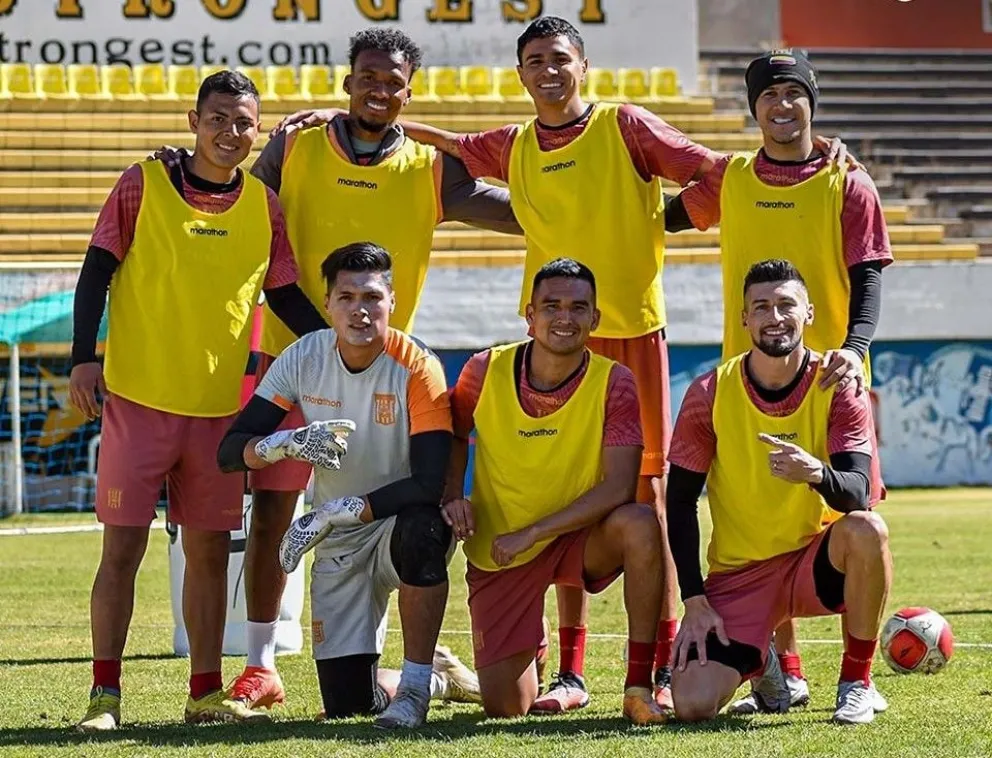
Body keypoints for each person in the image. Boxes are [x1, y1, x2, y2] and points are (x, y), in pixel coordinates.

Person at [187, 29, 520, 710]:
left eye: (395, 82)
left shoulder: (429, 166)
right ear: (346, 81)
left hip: (383, 370)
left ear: (410, 90)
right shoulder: (298, 144)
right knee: (276, 507)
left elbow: (526, 207)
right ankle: (259, 663)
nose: (380, 90)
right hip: (294, 354)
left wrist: (602, 205)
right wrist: (181, 164)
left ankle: (420, 668)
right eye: (368, 76)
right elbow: (233, 196)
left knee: (403, 512)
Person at [70, 71, 326, 731]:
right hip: (137, 402)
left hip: (218, 414)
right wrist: (81, 359)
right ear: (193, 120)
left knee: (210, 555)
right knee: (120, 553)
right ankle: (105, 699)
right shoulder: (143, 182)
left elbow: (285, 293)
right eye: (217, 118)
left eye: (243, 122)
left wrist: (344, 343)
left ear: (255, 130)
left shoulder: (263, 205)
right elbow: (96, 269)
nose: (229, 132)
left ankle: (204, 696)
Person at [665, 48, 892, 712]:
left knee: (844, 518)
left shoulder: (847, 182)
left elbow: (868, 274)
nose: (782, 105)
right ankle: (780, 666)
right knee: (762, 519)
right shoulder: (731, 178)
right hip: (747, 384)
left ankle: (857, 679)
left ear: (811, 103)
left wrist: (851, 347)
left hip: (827, 379)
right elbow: (664, 217)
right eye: (769, 95)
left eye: (794, 93)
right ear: (754, 109)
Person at [218, 242, 479, 729]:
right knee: (348, 706)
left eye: (372, 297)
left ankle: (417, 688)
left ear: (392, 302)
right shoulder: (303, 357)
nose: (360, 310)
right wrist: (285, 444)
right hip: (341, 540)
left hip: (394, 522)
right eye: (347, 297)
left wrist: (331, 511)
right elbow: (231, 450)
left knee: (425, 529)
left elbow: (426, 484)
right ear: (328, 304)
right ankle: (438, 676)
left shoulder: (418, 365)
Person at [442, 257, 669, 725]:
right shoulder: (484, 369)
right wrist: (452, 495)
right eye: (552, 306)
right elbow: (451, 434)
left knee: (642, 523)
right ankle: (527, 642)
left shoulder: (616, 382)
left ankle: (639, 686)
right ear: (529, 314)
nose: (564, 317)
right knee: (506, 709)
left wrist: (536, 532)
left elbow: (620, 487)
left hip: (578, 538)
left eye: (578, 307)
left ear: (595, 318)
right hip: (500, 549)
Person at [666, 259, 892, 726]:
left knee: (867, 528)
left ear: (808, 312)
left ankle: (857, 683)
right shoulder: (709, 392)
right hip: (739, 574)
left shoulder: (839, 385)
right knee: (692, 704)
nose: (775, 317)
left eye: (786, 304)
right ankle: (765, 664)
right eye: (761, 307)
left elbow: (856, 494)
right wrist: (694, 598)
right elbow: (680, 500)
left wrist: (815, 473)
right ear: (744, 318)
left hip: (813, 562)